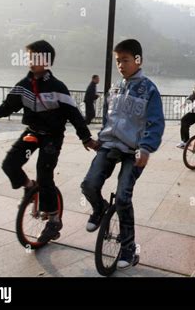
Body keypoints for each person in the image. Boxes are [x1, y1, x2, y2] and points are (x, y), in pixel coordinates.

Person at [0, 40, 98, 244]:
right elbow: (9, 105)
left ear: (47, 61)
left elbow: (74, 114)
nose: (30, 62)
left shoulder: (58, 87)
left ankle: (53, 220)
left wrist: (85, 138)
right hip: (32, 132)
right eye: (29, 57)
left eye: (35, 58)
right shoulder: (24, 85)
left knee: (45, 174)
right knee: (9, 164)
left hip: (52, 136)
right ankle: (29, 186)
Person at [81, 39, 165, 270]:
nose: (120, 65)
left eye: (125, 60)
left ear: (138, 60)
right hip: (109, 145)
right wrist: (101, 137)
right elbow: (109, 117)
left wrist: (146, 148)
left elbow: (156, 122)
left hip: (134, 151)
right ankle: (99, 209)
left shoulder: (149, 89)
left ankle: (128, 247)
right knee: (89, 184)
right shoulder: (115, 87)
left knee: (123, 198)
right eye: (117, 61)